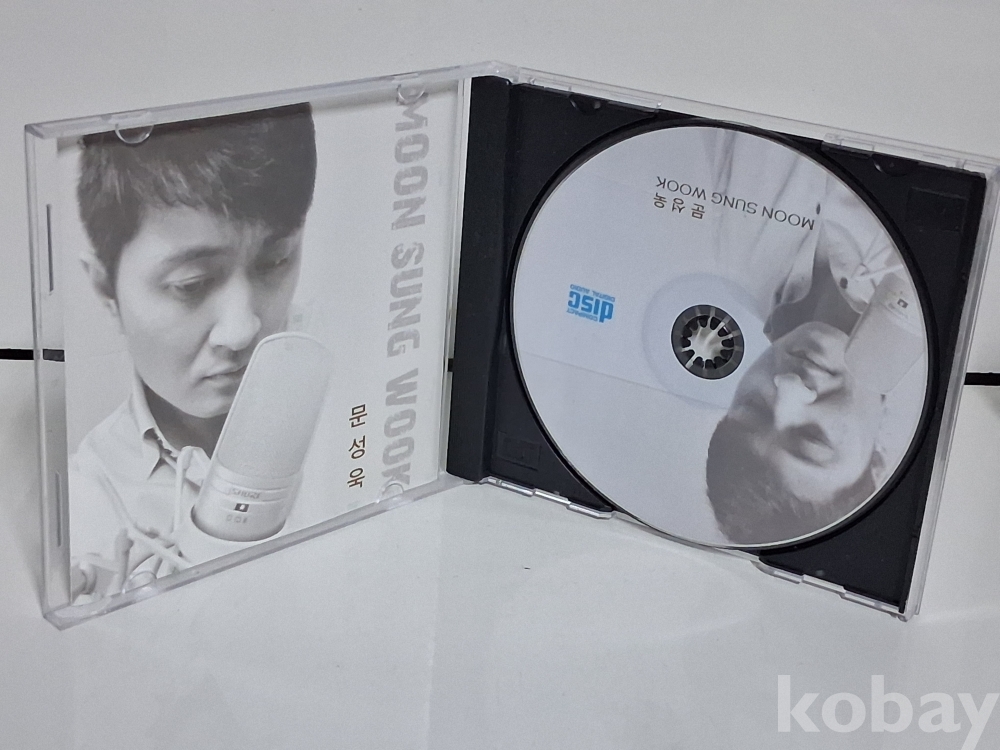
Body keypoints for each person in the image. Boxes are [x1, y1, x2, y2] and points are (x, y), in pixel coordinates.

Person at [68, 104, 317, 602]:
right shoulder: (86, 500)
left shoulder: (365, 389)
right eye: (192, 284)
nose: (242, 329)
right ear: (105, 288)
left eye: (275, 261)